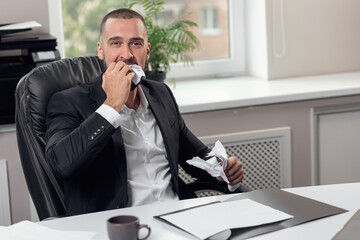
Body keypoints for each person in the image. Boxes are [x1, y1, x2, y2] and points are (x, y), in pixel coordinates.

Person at [45, 8, 244, 216]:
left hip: (179, 219)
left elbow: (194, 156)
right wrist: (112, 105)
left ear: (147, 51)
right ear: (101, 50)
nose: (127, 55)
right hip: (120, 226)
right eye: (115, 43)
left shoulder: (160, 93)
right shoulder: (69, 101)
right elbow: (61, 165)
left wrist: (223, 170)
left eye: (136, 43)